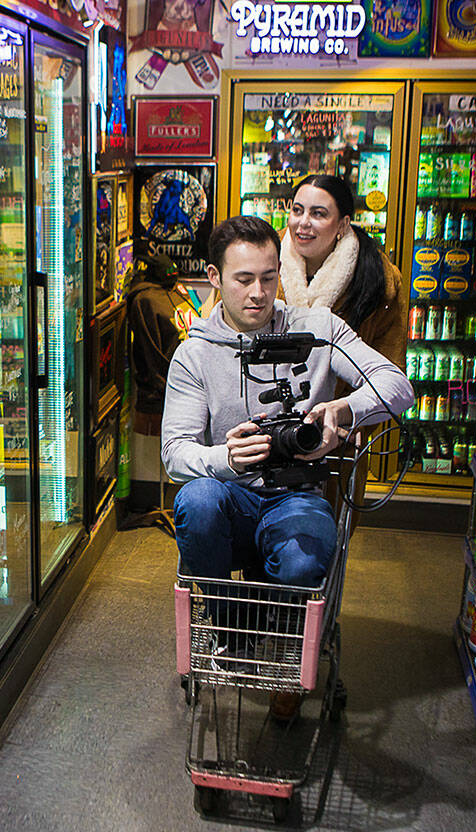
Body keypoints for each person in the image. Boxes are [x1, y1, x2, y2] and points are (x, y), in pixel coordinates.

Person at [162, 216, 413, 718]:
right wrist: (223, 458)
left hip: (298, 494)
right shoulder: (195, 353)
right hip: (229, 495)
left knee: (303, 563)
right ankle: (230, 631)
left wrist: (345, 410)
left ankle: (281, 648)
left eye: (269, 278)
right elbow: (174, 454)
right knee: (196, 498)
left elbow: (397, 385)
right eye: (243, 279)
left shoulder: (316, 328)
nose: (259, 293)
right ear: (214, 277)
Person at [280, 173, 406, 368]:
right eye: (297, 211)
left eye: (318, 214)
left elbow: (388, 367)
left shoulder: (380, 277)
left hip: (348, 397)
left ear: (343, 224)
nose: (303, 222)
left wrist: (349, 400)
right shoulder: (263, 258)